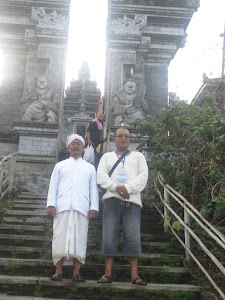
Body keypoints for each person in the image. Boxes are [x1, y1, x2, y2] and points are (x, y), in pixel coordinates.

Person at [97, 128, 148, 285]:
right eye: (120, 136)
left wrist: (128, 188)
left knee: (133, 237)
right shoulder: (107, 157)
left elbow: (143, 176)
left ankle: (134, 275)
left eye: (127, 136)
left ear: (130, 140)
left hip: (131, 202)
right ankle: (107, 274)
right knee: (108, 236)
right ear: (114, 139)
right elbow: (101, 176)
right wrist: (116, 187)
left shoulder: (139, 157)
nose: (124, 138)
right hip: (112, 201)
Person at [47, 134, 99, 282]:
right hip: (62, 208)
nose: (76, 146)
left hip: (81, 208)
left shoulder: (89, 168)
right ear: (68, 147)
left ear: (83, 148)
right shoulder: (60, 166)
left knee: (79, 240)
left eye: (79, 144)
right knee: (59, 239)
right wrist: (51, 205)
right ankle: (58, 271)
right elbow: (53, 187)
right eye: (73, 144)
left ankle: (76, 273)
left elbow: (93, 190)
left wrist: (93, 207)